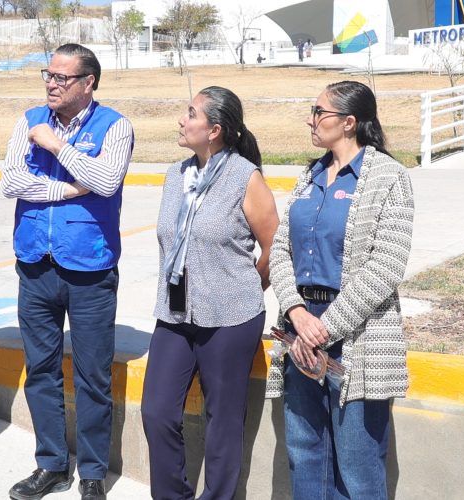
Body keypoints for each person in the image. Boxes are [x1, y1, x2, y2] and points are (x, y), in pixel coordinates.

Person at [267, 81, 415, 500]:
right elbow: (280, 249)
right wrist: (297, 313)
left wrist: (324, 328)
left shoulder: (389, 177)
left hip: (356, 335)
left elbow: (386, 267)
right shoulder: (310, 175)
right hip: (300, 327)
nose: (311, 120)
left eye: (319, 112)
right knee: (305, 453)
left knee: (358, 463)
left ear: (349, 122)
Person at [0, 43, 131, 500]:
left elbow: (106, 181)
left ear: (88, 83)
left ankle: (92, 473)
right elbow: (11, 182)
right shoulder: (29, 120)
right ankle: (52, 464)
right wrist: (71, 188)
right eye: (48, 75)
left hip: (90, 269)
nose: (51, 84)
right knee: (41, 370)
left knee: (93, 376)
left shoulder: (115, 126)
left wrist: (57, 147)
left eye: (62, 77)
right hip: (36, 265)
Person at [140, 86, 279, 500]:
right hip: (175, 313)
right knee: (156, 411)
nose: (181, 120)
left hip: (231, 317)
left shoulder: (245, 177)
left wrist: (245, 288)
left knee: (223, 420)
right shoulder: (175, 175)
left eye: (191, 114)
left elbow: (274, 246)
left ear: (214, 130)